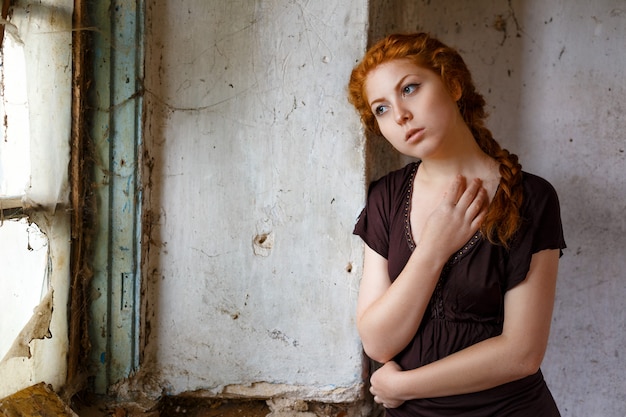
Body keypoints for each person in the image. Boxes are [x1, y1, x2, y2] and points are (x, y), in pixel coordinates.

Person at [347, 33, 566, 416]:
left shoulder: (533, 197)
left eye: (409, 89)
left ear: (452, 84)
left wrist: (404, 384)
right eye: (381, 109)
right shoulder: (386, 196)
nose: (399, 115)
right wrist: (434, 248)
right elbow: (378, 341)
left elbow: (522, 354)